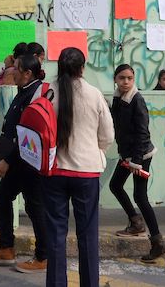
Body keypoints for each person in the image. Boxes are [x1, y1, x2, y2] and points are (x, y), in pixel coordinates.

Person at [42, 48, 113, 287]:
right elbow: (107, 135)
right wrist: (95, 151)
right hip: (87, 172)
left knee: (55, 235)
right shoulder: (94, 94)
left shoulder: (46, 92)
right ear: (82, 67)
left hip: (54, 171)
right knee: (88, 235)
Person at [0, 53, 49, 273]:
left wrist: (7, 161)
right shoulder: (24, 90)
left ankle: (43, 256)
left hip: (26, 162)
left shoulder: (35, 94)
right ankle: (7, 249)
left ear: (27, 73)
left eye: (16, 68)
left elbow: (28, 134)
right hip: (19, 160)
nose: (11, 72)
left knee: (35, 208)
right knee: (3, 199)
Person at [108, 64, 165, 262]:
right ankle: (136, 223)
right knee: (115, 185)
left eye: (129, 78)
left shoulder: (137, 99)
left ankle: (158, 243)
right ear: (115, 79)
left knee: (140, 197)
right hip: (128, 154)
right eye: (121, 78)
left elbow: (143, 132)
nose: (126, 82)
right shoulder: (118, 98)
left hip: (140, 155)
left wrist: (136, 162)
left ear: (133, 80)